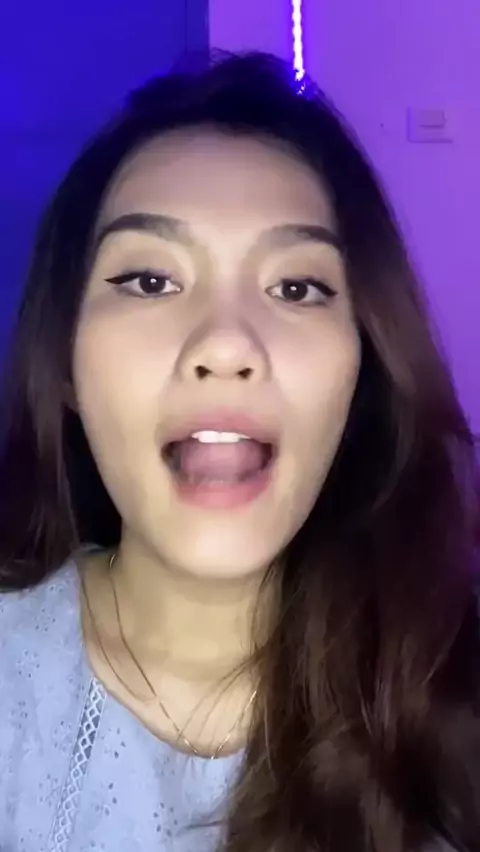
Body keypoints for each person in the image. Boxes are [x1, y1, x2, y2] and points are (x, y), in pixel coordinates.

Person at [0, 50, 478, 852]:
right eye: (149, 280)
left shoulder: (451, 695)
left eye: (296, 288)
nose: (225, 345)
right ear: (67, 365)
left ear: (362, 371)